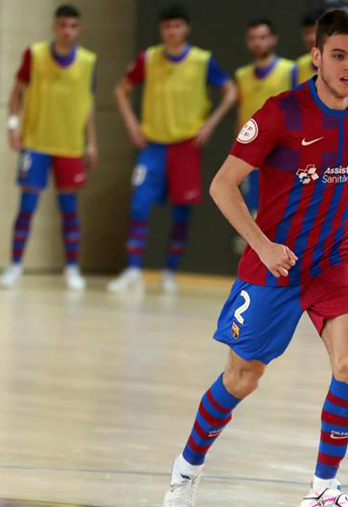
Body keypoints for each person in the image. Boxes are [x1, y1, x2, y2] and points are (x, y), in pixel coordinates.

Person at [161, 8, 348, 507]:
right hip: (276, 262)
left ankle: (324, 491)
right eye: (338, 56)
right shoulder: (280, 114)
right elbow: (222, 185)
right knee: (242, 378)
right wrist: (264, 245)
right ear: (315, 56)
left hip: (336, 256)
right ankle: (186, 469)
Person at [108, 4, 237, 294]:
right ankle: (133, 271)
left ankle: (169, 272)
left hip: (185, 145)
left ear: (186, 28)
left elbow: (230, 91)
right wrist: (132, 125)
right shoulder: (149, 58)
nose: (172, 31)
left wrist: (209, 124)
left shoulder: (202, 61)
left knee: (182, 212)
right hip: (153, 144)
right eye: (167, 27)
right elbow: (120, 90)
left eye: (177, 26)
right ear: (161, 30)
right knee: (139, 204)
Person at [0, 4, 96, 291]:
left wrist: (92, 143)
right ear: (54, 27)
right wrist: (12, 126)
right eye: (63, 25)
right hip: (36, 143)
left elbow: (88, 105)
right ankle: (15, 266)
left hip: (69, 145)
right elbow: (16, 93)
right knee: (27, 206)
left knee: (69, 209)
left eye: (73, 26)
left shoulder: (89, 61)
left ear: (78, 29)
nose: (68, 31)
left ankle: (71, 269)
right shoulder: (35, 54)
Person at [235, 19, 295, 212]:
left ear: (273, 39)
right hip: (252, 158)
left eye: (262, 37)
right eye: (252, 38)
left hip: (282, 156)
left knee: (283, 212)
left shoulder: (290, 70)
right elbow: (240, 116)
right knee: (253, 215)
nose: (257, 42)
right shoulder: (241, 75)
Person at [293, 9, 322, 86]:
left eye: (315, 31)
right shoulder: (299, 65)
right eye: (307, 32)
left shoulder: (340, 65)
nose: (311, 38)